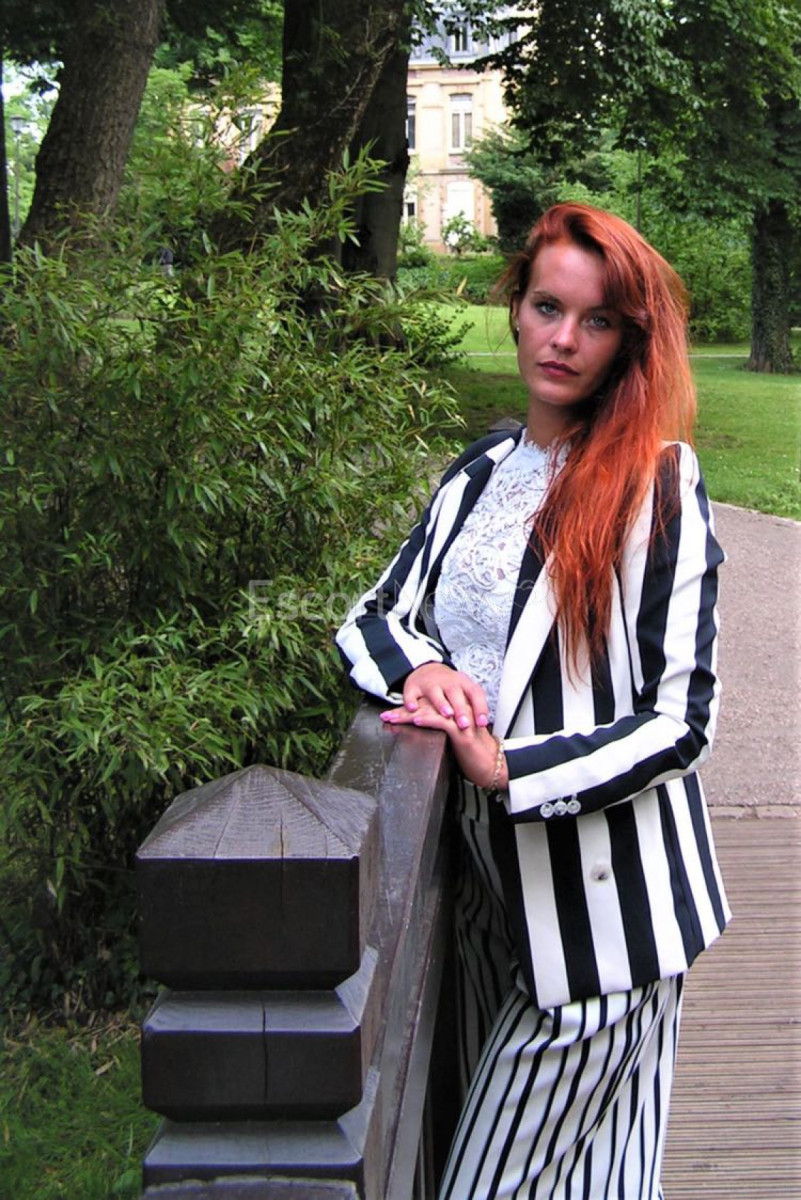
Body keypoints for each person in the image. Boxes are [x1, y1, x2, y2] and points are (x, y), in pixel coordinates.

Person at [335, 203, 730, 1198]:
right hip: (485, 907)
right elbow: (374, 617)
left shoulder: (656, 482)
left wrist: (511, 766)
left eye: (596, 321)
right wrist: (420, 670)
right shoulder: (478, 472)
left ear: (626, 342)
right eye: (548, 308)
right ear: (514, 307)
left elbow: (680, 721)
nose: (563, 339)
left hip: (604, 926)